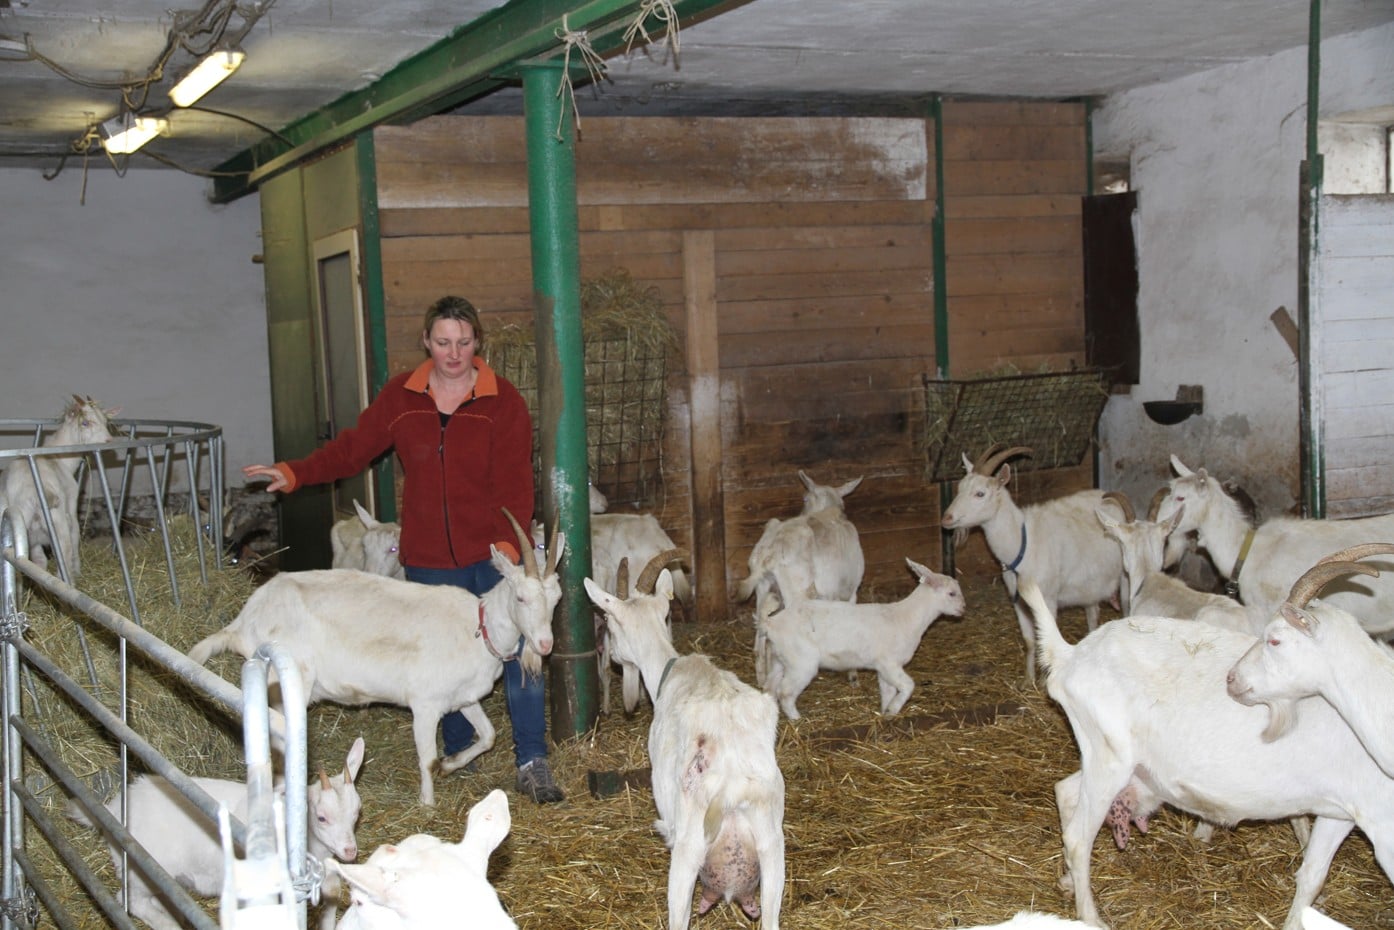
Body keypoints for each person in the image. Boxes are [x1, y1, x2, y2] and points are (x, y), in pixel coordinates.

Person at [242, 295, 564, 804]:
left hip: (491, 557)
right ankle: (457, 755)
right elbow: (353, 448)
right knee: (439, 659)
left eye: (463, 342)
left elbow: (516, 484)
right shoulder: (403, 397)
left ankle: (531, 758)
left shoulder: (503, 402)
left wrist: (507, 554)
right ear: (426, 342)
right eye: (442, 342)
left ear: (477, 342)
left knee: (520, 649)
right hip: (430, 560)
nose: (453, 353)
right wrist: (296, 472)